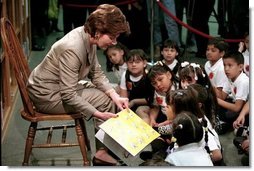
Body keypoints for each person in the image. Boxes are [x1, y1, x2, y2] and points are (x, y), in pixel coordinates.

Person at [27, 4, 130, 165]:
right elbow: (68, 94)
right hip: (47, 95)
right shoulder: (73, 48)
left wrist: (115, 95)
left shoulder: (88, 36)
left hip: (60, 86)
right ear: (98, 32)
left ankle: (103, 150)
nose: (114, 42)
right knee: (104, 101)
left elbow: (96, 73)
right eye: (112, 37)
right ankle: (102, 154)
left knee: (110, 92)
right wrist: (97, 113)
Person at [217, 51, 249, 125]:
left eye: (230, 65)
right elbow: (222, 97)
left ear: (240, 67)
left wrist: (217, 100)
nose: (226, 69)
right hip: (237, 104)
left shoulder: (243, 81)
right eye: (224, 65)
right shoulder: (230, 77)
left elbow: (237, 108)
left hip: (246, 109)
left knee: (226, 114)